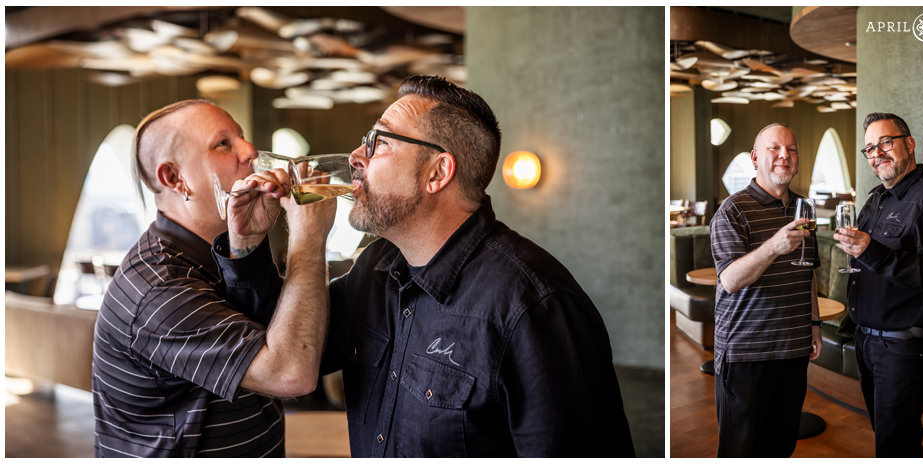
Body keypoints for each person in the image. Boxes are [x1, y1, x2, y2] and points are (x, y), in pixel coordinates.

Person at [219, 75, 635, 457]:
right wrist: (248, 245)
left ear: (437, 173)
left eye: (379, 142)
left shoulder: (534, 306)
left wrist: (307, 239)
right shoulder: (375, 268)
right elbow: (290, 355)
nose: (356, 156)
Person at [92, 100, 337, 457]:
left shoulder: (220, 252)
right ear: (174, 178)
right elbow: (290, 373)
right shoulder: (158, 288)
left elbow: (283, 337)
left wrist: (247, 248)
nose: (250, 151)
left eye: (242, 137)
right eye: (223, 144)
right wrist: (308, 239)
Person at [833, 113, 923, 457]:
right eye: (869, 148)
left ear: (909, 144)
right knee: (886, 434)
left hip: (902, 346)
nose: (877, 153)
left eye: (886, 142)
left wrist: (871, 252)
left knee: (896, 446)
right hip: (867, 341)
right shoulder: (876, 199)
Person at [709, 123, 822, 457]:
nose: (784, 155)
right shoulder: (732, 210)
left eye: (792, 149)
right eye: (775, 148)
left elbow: (808, 272)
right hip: (746, 354)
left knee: (781, 447)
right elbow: (730, 280)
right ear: (756, 158)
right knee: (741, 452)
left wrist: (814, 324)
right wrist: (774, 246)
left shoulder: (804, 208)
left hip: (793, 350)